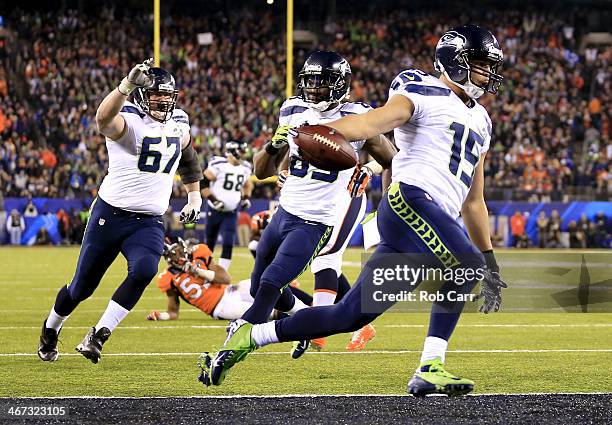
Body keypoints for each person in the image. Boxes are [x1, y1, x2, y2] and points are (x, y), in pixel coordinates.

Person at [199, 25, 508, 397]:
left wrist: (490, 260)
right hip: (411, 201)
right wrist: (318, 131)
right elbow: (371, 123)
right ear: (455, 62)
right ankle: (430, 366)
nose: (487, 73)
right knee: (466, 265)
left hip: (428, 222)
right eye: (479, 64)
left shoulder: (483, 121)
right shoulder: (420, 89)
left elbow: (474, 201)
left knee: (349, 315)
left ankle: (251, 335)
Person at [210, 50, 396, 359]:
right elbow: (261, 170)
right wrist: (276, 149)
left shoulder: (358, 115)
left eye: (321, 84)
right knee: (259, 288)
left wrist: (370, 170)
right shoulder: (293, 110)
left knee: (274, 282)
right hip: (285, 210)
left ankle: (235, 347)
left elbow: (394, 157)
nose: (313, 89)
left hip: (318, 218)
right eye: (309, 82)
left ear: (338, 84)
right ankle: (310, 326)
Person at [38, 59, 203, 364]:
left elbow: (189, 157)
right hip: (110, 216)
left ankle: (98, 334)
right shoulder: (130, 120)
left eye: (168, 96)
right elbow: (102, 120)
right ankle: (51, 328)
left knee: (144, 271)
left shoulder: (179, 121)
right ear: (142, 95)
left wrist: (194, 197)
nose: (163, 101)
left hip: (149, 221)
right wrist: (126, 85)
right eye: (156, 96)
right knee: (81, 287)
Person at [147, 239, 313, 321]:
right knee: (267, 312)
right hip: (221, 307)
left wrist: (198, 271)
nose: (182, 256)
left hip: (231, 290)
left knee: (269, 283)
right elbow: (174, 312)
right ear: (169, 260)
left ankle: (313, 304)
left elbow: (225, 278)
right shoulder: (167, 278)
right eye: (176, 254)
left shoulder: (199, 255)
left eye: (181, 251)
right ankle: (307, 322)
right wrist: (160, 316)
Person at [202, 141, 253, 271]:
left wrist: (246, 198)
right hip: (214, 210)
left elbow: (248, 184)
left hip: (231, 212)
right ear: (233, 152)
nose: (243, 155)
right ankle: (205, 270)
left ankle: (221, 273)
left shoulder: (245, 167)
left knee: (228, 243)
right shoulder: (219, 165)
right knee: (209, 243)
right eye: (241, 152)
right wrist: (213, 200)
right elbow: (202, 183)